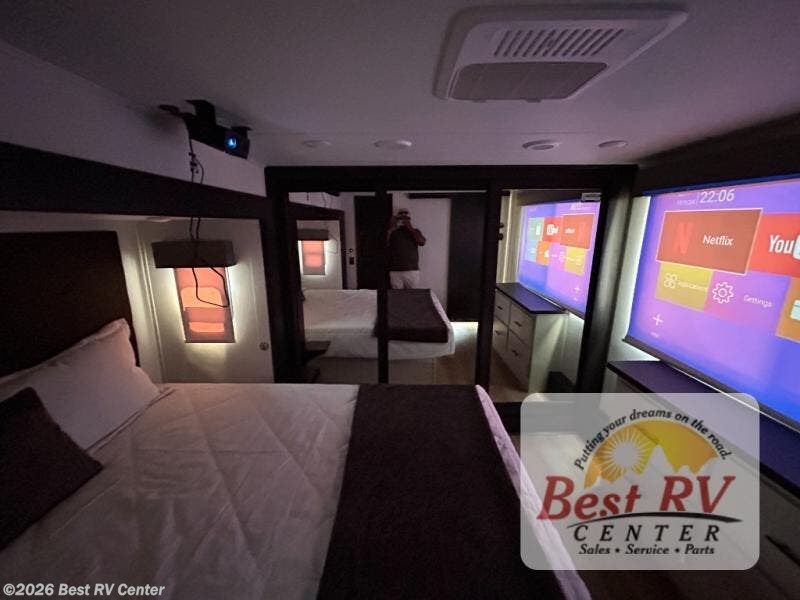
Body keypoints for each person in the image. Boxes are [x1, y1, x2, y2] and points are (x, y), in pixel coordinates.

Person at [387, 207, 426, 289]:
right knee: (397, 295)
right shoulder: (392, 232)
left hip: (412, 270)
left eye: (405, 216)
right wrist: (391, 228)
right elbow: (384, 244)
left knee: (412, 294)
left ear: (409, 218)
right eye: (401, 216)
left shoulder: (415, 231)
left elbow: (422, 242)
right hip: (395, 270)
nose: (403, 218)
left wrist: (410, 227)